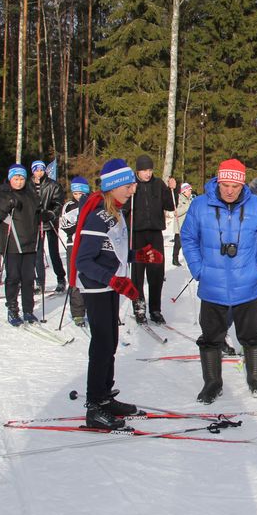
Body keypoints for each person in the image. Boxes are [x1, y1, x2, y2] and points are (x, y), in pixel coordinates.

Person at [69, 159, 163, 429]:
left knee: (110, 343)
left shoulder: (116, 212)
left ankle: (104, 396)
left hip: (110, 285)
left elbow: (114, 252)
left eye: (133, 183)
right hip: (98, 286)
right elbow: (84, 261)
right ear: (113, 186)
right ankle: (95, 407)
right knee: (101, 344)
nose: (133, 188)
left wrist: (139, 255)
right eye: (128, 184)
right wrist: (113, 279)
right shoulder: (97, 215)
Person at [180, 158, 257, 403]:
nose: (229, 191)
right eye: (225, 185)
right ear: (218, 181)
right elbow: (188, 238)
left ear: (243, 184)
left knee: (252, 335)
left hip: (247, 285)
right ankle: (212, 383)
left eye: (235, 186)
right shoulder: (199, 205)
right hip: (212, 286)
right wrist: (198, 270)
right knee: (211, 338)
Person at [0, 164, 43, 326]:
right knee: (13, 278)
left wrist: (46, 214)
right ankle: (12, 309)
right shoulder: (3, 194)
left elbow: (36, 213)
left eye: (22, 178)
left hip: (30, 243)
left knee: (28, 278)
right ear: (10, 179)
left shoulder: (31, 194)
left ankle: (28, 310)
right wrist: (7, 204)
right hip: (12, 243)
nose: (19, 182)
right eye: (16, 179)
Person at [126, 154, 175, 325]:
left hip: (155, 234)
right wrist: (129, 192)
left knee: (156, 273)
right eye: (144, 170)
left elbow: (170, 205)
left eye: (149, 170)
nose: (147, 173)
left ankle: (155, 309)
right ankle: (139, 307)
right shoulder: (131, 185)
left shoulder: (158, 184)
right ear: (137, 171)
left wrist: (171, 189)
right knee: (138, 274)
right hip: (137, 234)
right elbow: (124, 208)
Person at [29, 160, 67, 293]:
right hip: (35, 223)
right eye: (36, 170)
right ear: (32, 171)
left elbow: (58, 203)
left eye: (41, 170)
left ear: (45, 170)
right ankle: (40, 282)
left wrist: (51, 213)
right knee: (37, 253)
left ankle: (61, 279)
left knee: (53, 252)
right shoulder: (28, 185)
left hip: (49, 222)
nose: (38, 173)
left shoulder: (52, 185)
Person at [60, 177, 91, 327]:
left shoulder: (93, 203)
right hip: (74, 243)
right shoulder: (69, 206)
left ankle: (92, 308)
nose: (79, 197)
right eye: (76, 193)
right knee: (75, 277)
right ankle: (78, 312)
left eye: (82, 193)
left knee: (90, 276)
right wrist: (78, 219)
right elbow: (65, 227)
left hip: (90, 243)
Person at [170, 182, 193, 266]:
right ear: (184, 191)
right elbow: (176, 213)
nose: (190, 192)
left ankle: (189, 259)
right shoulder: (178, 199)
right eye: (189, 190)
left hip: (188, 226)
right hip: (180, 226)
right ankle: (174, 259)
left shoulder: (190, 199)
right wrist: (187, 207)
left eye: (190, 190)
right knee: (178, 244)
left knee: (188, 244)